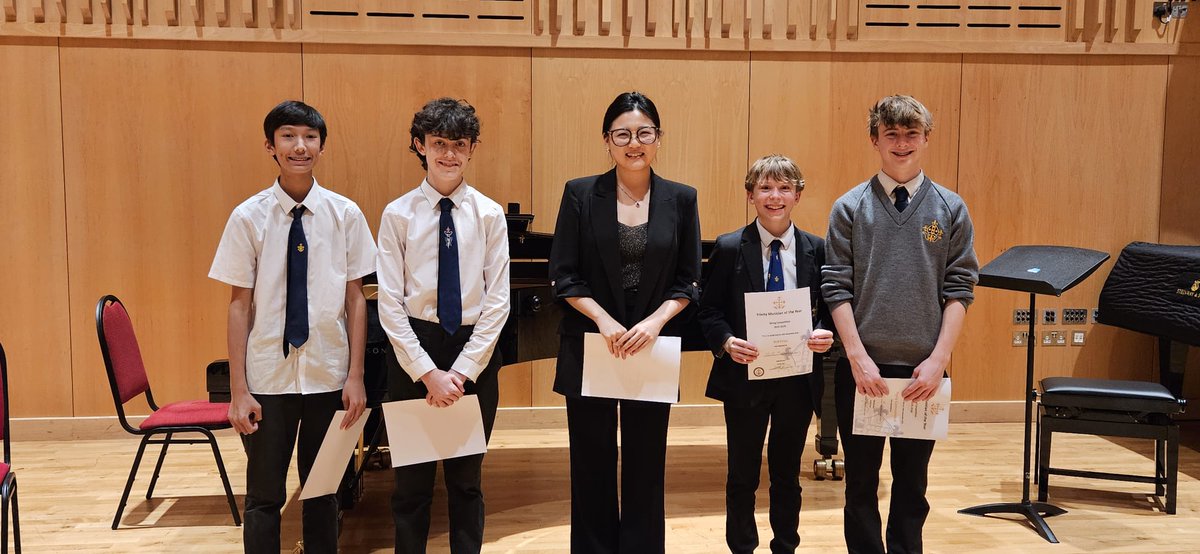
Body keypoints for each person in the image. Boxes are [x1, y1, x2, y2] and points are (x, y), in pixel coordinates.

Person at [209, 99, 376, 553]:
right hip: (267, 379)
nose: (299, 146)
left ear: (321, 145)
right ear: (270, 145)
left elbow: (355, 299)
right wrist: (239, 389)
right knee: (264, 498)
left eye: (310, 137)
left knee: (322, 493)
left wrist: (356, 376)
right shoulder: (248, 217)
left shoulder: (346, 215)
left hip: (329, 375)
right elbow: (239, 306)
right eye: (288, 136)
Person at [821, 95, 979, 554]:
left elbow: (960, 287)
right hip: (862, 373)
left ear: (926, 139)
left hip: (922, 375)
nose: (902, 143)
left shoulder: (950, 208)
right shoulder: (849, 208)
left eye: (912, 134)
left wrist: (938, 360)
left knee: (912, 489)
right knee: (861, 488)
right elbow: (835, 287)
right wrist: (857, 359)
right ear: (875, 140)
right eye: (891, 134)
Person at [548, 91, 701, 554]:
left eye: (644, 133)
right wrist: (604, 322)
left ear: (658, 139)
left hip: (652, 346)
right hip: (593, 342)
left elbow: (689, 281)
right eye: (623, 134)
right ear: (607, 141)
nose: (634, 143)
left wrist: (654, 323)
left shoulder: (681, 198)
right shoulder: (580, 194)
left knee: (646, 464)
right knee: (590, 463)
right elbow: (564, 274)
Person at [376, 97, 510, 554]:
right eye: (438, 144)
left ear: (472, 148)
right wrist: (427, 372)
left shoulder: (490, 215)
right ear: (420, 146)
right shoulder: (397, 214)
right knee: (410, 486)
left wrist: (463, 370)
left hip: (472, 353)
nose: (449, 154)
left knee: (466, 481)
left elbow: (498, 301)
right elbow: (389, 303)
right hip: (415, 352)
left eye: (458, 144)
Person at [697, 154, 835, 554]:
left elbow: (830, 307)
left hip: (797, 380)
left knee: (787, 473)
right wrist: (725, 341)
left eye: (784, 188)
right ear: (750, 195)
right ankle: (741, 547)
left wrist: (825, 330)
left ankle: (786, 545)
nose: (775, 196)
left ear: (797, 195)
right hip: (745, 378)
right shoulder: (727, 248)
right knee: (741, 473)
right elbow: (708, 310)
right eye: (765, 188)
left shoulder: (817, 249)